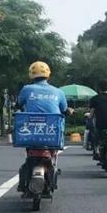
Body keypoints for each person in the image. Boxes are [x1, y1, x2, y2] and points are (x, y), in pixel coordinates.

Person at [15, 61, 72, 192]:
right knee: (53, 152)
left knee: (28, 156)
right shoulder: (58, 92)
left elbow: (18, 104)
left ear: (31, 75)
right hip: (51, 134)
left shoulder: (26, 89)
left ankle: (23, 184)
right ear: (48, 75)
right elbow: (64, 109)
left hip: (31, 133)